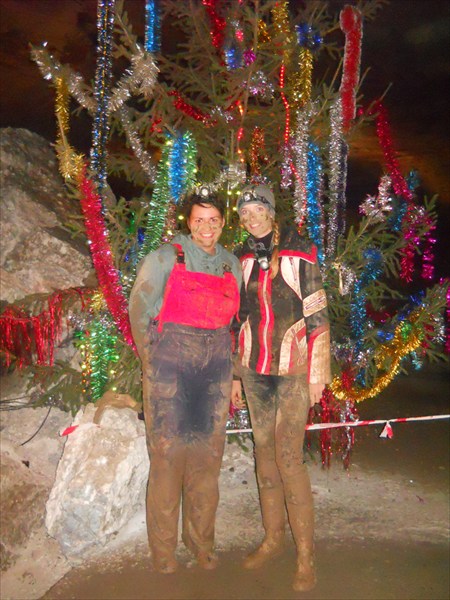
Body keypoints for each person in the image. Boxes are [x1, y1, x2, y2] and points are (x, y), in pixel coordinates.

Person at [129, 190, 241, 574]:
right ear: (188, 222)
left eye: (214, 220)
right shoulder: (165, 258)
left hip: (214, 375)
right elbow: (139, 309)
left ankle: (201, 544)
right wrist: (152, 360)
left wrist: (233, 373)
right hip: (170, 372)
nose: (206, 227)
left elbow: (235, 323)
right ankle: (164, 551)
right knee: (167, 460)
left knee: (207, 463)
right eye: (199, 219)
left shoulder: (231, 264)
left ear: (223, 223)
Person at [231, 183, 331, 592]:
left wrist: (317, 374)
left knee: (289, 458)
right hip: (255, 370)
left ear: (272, 212)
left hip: (293, 369)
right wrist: (235, 375)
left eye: (258, 210)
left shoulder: (299, 250)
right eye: (245, 213)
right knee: (264, 455)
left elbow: (318, 313)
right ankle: (273, 539)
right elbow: (238, 317)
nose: (252, 218)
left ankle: (306, 556)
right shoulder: (241, 258)